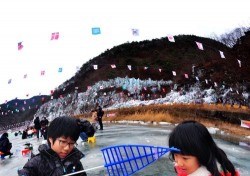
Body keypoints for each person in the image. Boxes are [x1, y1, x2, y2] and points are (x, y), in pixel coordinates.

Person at [18, 116, 87, 176]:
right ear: (51, 139)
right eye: (63, 142)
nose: (67, 148)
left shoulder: (75, 161)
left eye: (72, 143)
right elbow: (26, 172)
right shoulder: (37, 162)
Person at [168, 120, 239, 176]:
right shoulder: (189, 169)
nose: (179, 163)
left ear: (202, 155)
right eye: (176, 155)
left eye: (185, 158)